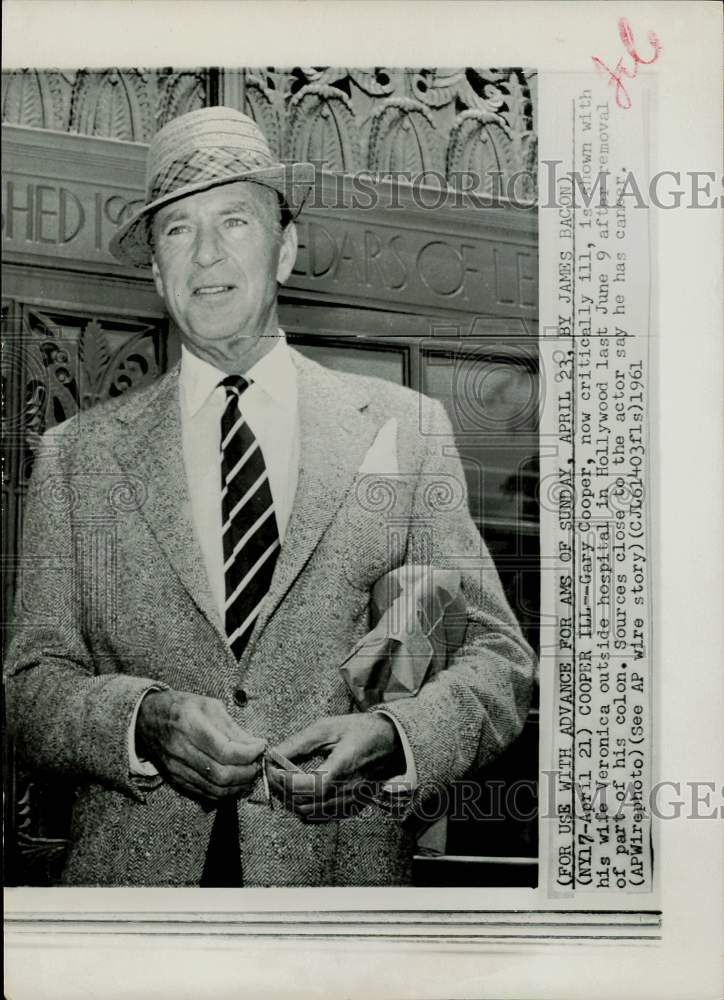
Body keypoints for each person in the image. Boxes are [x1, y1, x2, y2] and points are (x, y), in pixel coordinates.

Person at [4, 106, 536, 887]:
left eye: (235, 221)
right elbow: (31, 684)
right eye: (178, 231)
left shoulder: (402, 431)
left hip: (338, 896)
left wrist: (394, 732)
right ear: (155, 270)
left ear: (285, 249)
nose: (207, 253)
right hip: (136, 905)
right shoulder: (78, 456)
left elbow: (499, 659)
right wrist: (139, 718)